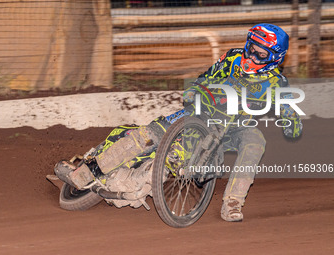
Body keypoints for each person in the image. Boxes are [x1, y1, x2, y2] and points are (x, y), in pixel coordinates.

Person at [55, 23, 303, 222]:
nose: (251, 55)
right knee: (147, 135)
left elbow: (290, 116)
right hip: (201, 115)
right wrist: (194, 91)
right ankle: (85, 173)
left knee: (256, 140)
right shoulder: (233, 58)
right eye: (251, 47)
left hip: (235, 128)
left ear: (275, 58)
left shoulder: (276, 83)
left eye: (260, 53)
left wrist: (290, 120)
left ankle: (233, 203)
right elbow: (204, 78)